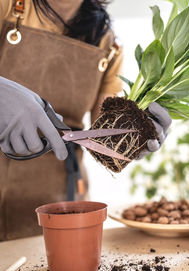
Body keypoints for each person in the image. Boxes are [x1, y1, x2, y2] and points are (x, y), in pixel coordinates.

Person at [0, 0, 171, 241]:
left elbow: (106, 134)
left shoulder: (107, 43)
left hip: (60, 200)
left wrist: (136, 136)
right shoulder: (9, 7)